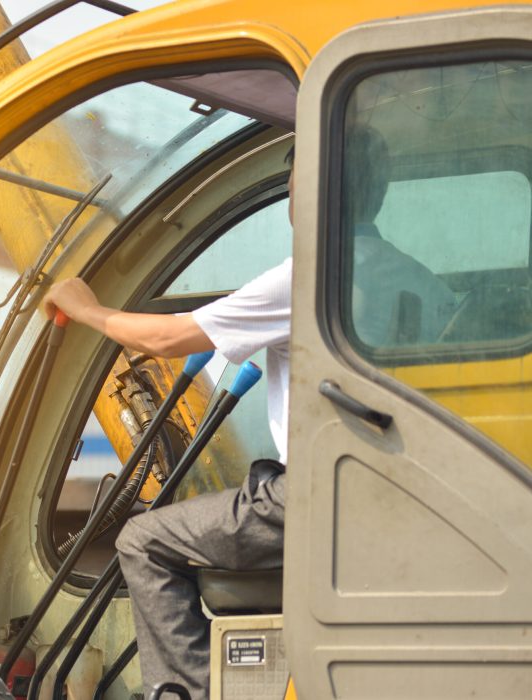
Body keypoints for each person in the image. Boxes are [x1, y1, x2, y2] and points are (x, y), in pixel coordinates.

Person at [43, 126, 454, 699]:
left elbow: (166, 338)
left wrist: (85, 308)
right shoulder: (421, 281)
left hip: (310, 499)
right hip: (393, 494)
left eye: (294, 181)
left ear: (309, 189)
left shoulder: (310, 275)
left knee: (143, 540)